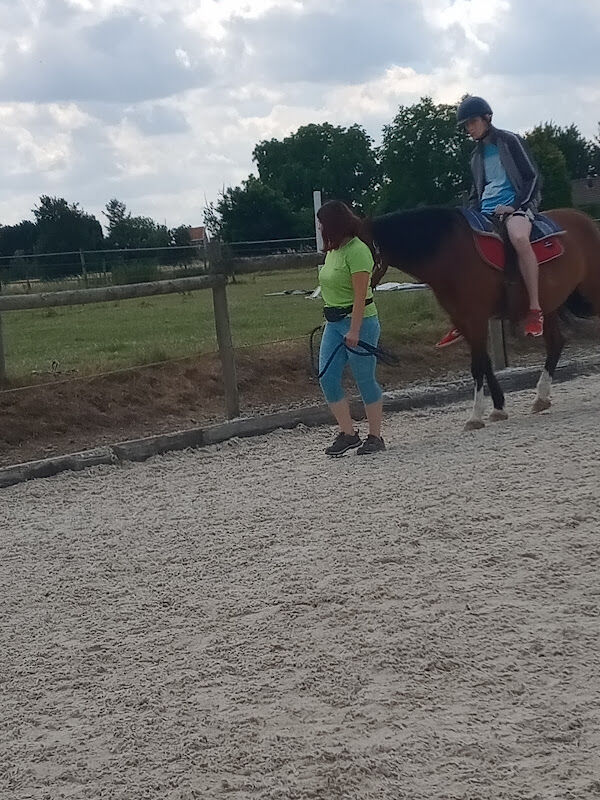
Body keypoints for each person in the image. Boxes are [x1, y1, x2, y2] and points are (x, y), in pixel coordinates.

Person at [436, 95, 544, 348]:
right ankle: (463, 317)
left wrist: (516, 207)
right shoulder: (476, 157)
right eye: (466, 125)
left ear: (487, 118)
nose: (469, 128)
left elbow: (531, 177)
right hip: (486, 211)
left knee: (518, 236)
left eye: (472, 122)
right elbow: (477, 192)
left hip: (517, 207)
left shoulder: (510, 141)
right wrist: (466, 215)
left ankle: (535, 310)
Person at [316, 200, 385, 456]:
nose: (320, 228)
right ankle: (348, 432)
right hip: (334, 324)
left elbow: (360, 296)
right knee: (327, 376)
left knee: (365, 379)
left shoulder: (357, 251)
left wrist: (354, 330)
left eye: (323, 223)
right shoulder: (333, 251)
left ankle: (375, 436)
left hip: (360, 322)